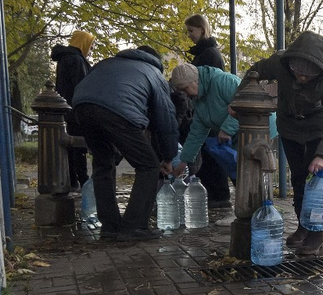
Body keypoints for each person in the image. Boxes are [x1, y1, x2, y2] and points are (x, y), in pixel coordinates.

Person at [239, 31, 323, 256]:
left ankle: (317, 234)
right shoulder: (279, 63)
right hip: (289, 127)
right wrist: (239, 99)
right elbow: (254, 72)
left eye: (308, 74)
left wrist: (322, 156)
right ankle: (303, 226)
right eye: (297, 71)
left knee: (315, 182)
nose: (302, 77)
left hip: (317, 129)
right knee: (297, 178)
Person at [72, 46, 178, 241]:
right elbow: (166, 118)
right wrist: (168, 156)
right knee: (148, 166)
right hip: (118, 110)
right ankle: (134, 226)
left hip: (81, 106)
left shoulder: (108, 63)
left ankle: (110, 227)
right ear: (156, 62)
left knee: (103, 164)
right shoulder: (154, 73)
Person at [185, 14, 231, 209]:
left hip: (212, 113)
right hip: (209, 111)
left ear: (202, 29)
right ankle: (216, 194)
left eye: (191, 31)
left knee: (213, 154)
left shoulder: (209, 55)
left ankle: (219, 195)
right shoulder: (204, 54)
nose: (189, 35)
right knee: (208, 153)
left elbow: (209, 85)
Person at [169, 64, 240, 184]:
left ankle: (259, 201)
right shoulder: (199, 100)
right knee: (237, 174)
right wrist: (183, 161)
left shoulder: (223, 81)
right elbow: (197, 132)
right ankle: (247, 201)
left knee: (247, 172)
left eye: (186, 88)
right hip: (236, 134)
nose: (185, 94)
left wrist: (227, 129)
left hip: (259, 128)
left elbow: (243, 105)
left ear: (196, 81)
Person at [50, 30, 95, 192]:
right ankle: (83, 181)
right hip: (76, 110)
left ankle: (72, 180)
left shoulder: (64, 58)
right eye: (90, 45)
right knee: (79, 146)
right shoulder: (76, 60)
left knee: (70, 148)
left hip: (66, 109)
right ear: (83, 43)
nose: (90, 50)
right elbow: (82, 85)